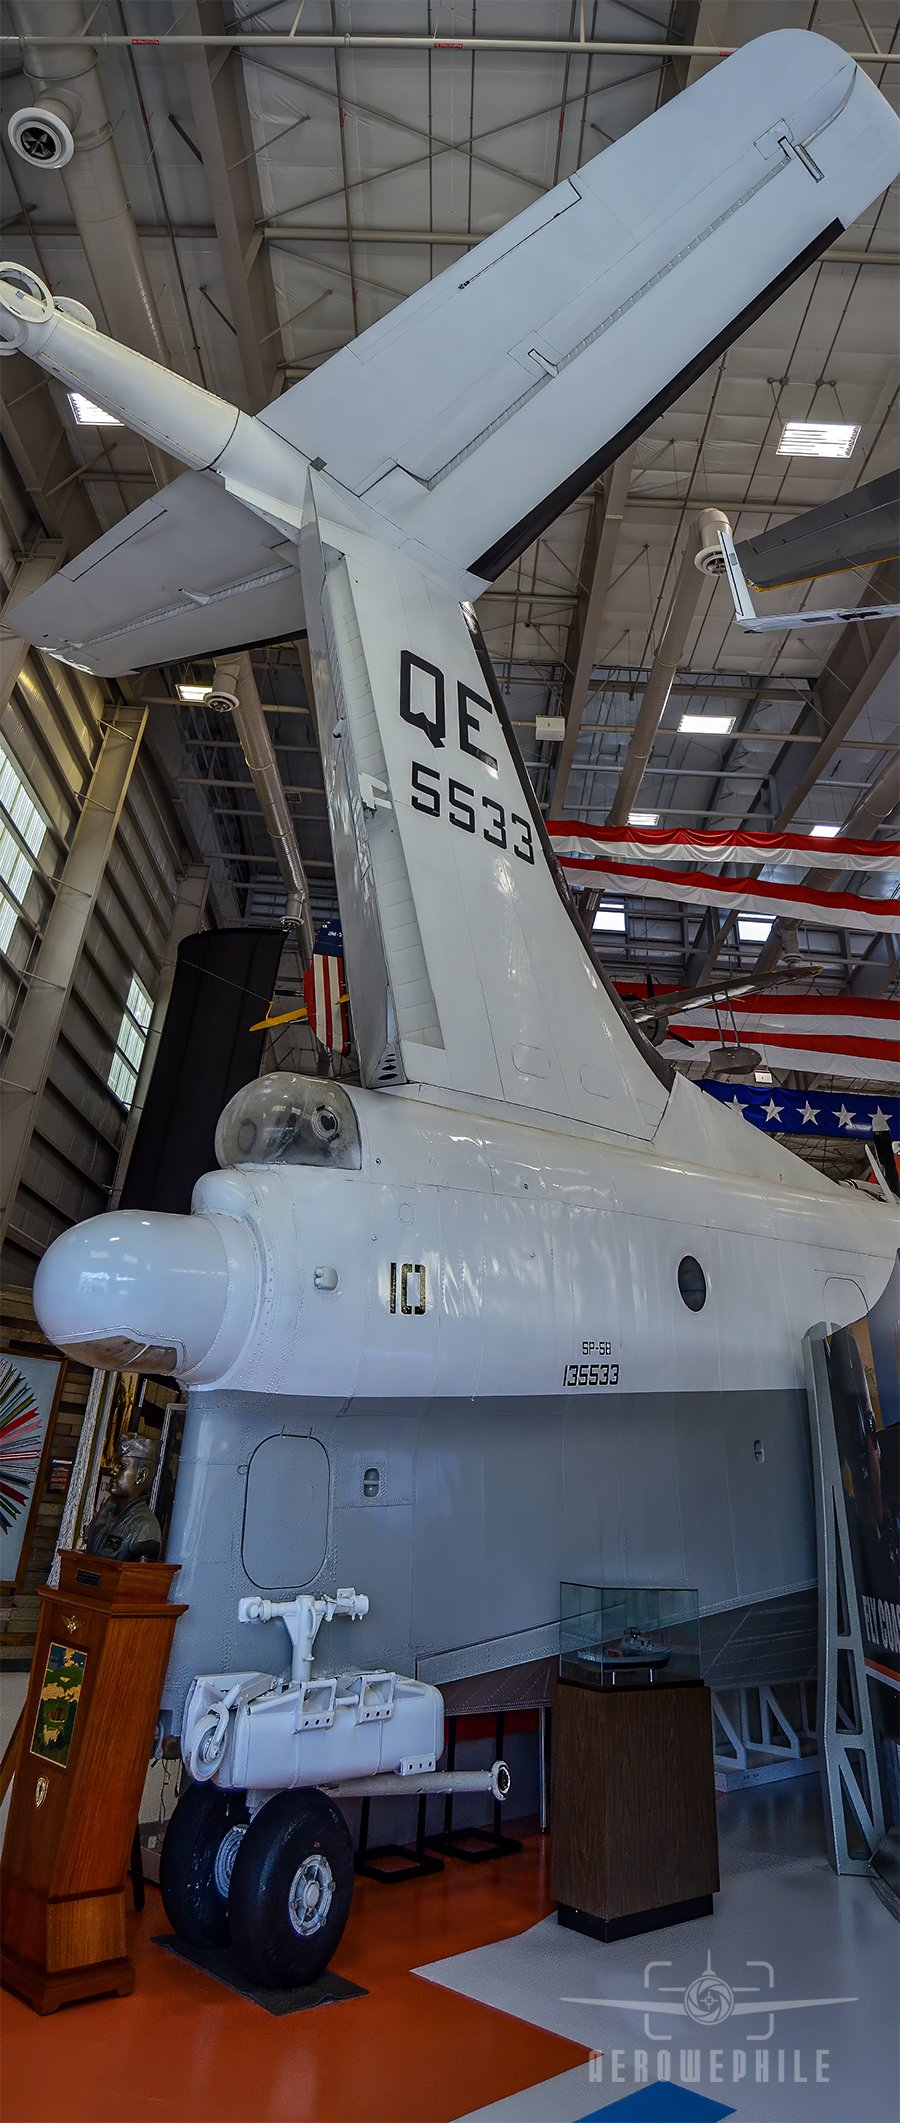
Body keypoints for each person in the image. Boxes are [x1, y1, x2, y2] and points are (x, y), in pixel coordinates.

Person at [82, 1433, 162, 1562]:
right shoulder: (105, 1512)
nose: (113, 1471)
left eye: (122, 1466)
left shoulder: (145, 1527)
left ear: (141, 1476)